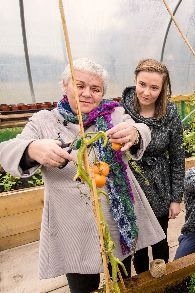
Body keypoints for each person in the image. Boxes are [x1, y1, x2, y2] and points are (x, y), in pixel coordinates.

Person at [0, 58, 165, 293]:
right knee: (82, 286)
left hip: (117, 222)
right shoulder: (45, 121)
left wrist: (135, 133)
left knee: (121, 280)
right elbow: (6, 151)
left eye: (96, 89)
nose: (87, 94)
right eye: (80, 86)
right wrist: (32, 149)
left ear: (102, 93)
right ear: (64, 85)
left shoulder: (113, 115)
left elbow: (142, 129)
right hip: (73, 226)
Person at [121, 59, 184, 272]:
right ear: (135, 81)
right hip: (131, 187)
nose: (146, 92)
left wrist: (176, 199)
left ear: (162, 88)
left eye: (154, 87)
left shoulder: (170, 113)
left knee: (159, 241)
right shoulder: (121, 111)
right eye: (142, 84)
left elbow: (177, 157)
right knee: (137, 246)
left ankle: (162, 281)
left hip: (159, 187)